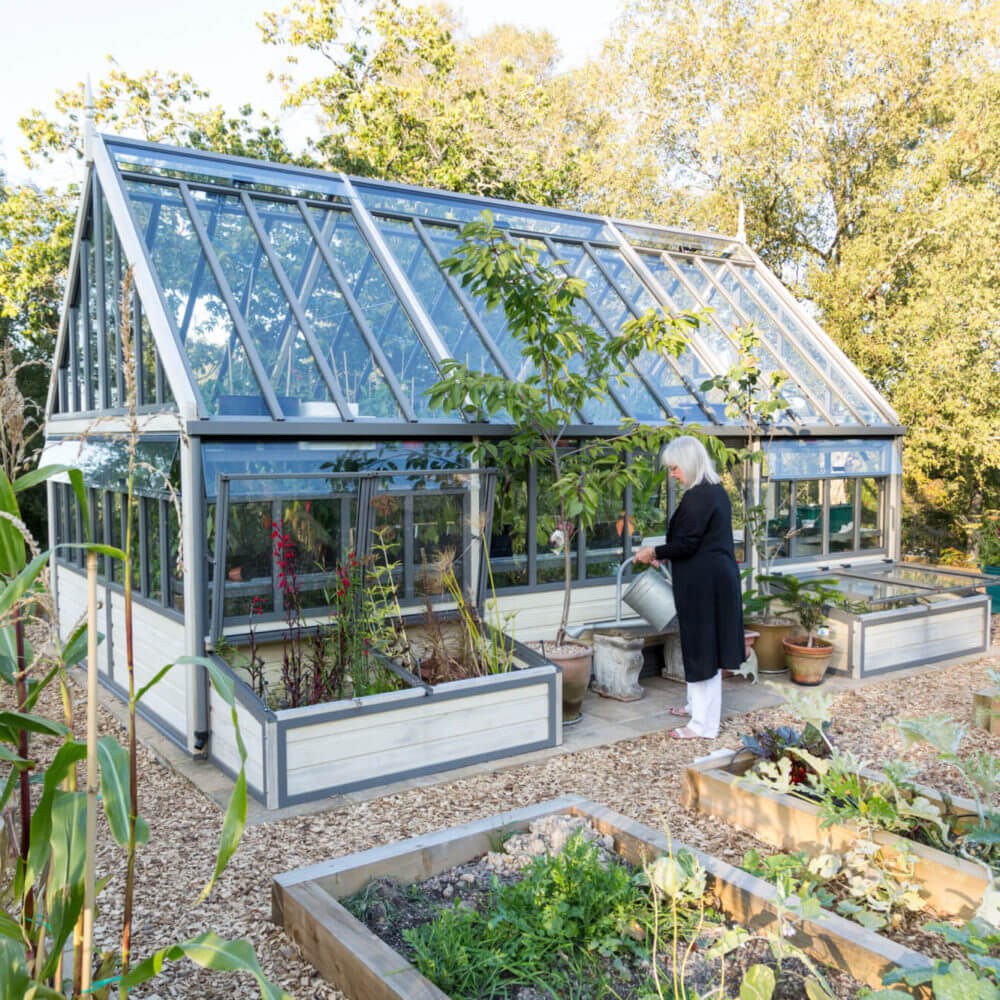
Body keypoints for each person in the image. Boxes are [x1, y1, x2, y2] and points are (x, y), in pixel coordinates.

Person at [633, 436, 745, 740]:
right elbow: (696, 543)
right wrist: (665, 556)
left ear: (690, 464)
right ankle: (695, 706)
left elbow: (688, 542)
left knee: (703, 650)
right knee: (699, 646)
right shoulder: (712, 491)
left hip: (706, 587)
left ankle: (703, 726)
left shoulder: (700, 497)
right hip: (710, 581)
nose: (672, 475)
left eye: (674, 468)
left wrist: (654, 553)